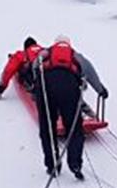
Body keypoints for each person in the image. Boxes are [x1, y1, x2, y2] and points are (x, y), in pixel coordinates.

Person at [36, 35, 108, 180]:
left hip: (46, 88)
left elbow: (34, 67)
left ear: (54, 44)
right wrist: (101, 90)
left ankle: (52, 165)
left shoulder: (45, 54)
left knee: (47, 128)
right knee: (74, 128)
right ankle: (75, 164)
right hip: (69, 89)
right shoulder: (76, 56)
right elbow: (90, 72)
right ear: (69, 44)